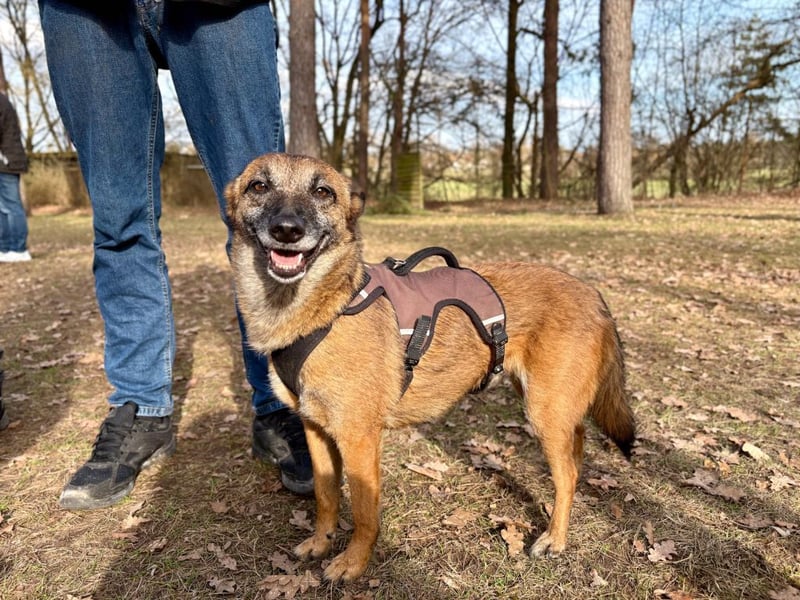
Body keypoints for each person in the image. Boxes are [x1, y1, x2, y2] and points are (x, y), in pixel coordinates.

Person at [38, 0, 313, 510]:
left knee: (262, 217)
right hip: (81, 10)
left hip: (223, 7)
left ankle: (279, 402)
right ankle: (141, 409)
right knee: (118, 223)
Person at [0, 92, 31, 263]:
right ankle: (4, 248)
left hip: (7, 161)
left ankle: (19, 249)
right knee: (2, 208)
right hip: (4, 162)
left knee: (12, 206)